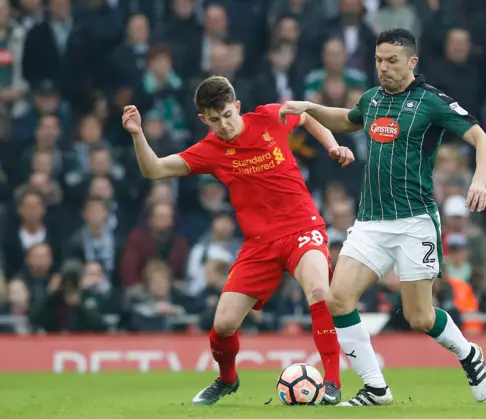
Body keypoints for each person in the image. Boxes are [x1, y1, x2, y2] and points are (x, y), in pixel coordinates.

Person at [279, 28, 486, 406]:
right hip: (371, 221)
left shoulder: (432, 102)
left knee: (419, 317)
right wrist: (307, 107)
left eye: (392, 61)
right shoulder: (372, 99)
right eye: (379, 60)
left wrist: (479, 181)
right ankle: (376, 388)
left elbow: (483, 141)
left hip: (415, 222)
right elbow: (346, 119)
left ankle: (468, 354)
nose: (384, 68)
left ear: (412, 62)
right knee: (338, 298)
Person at [121, 76, 356, 406]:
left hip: (301, 227)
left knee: (319, 289)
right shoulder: (210, 150)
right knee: (223, 326)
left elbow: (307, 116)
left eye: (228, 115)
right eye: (215, 120)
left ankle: (332, 382)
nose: (225, 125)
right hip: (259, 243)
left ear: (238, 108)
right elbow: (155, 170)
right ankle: (227, 379)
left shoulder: (269, 117)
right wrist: (138, 134)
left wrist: (331, 145)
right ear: (204, 119)